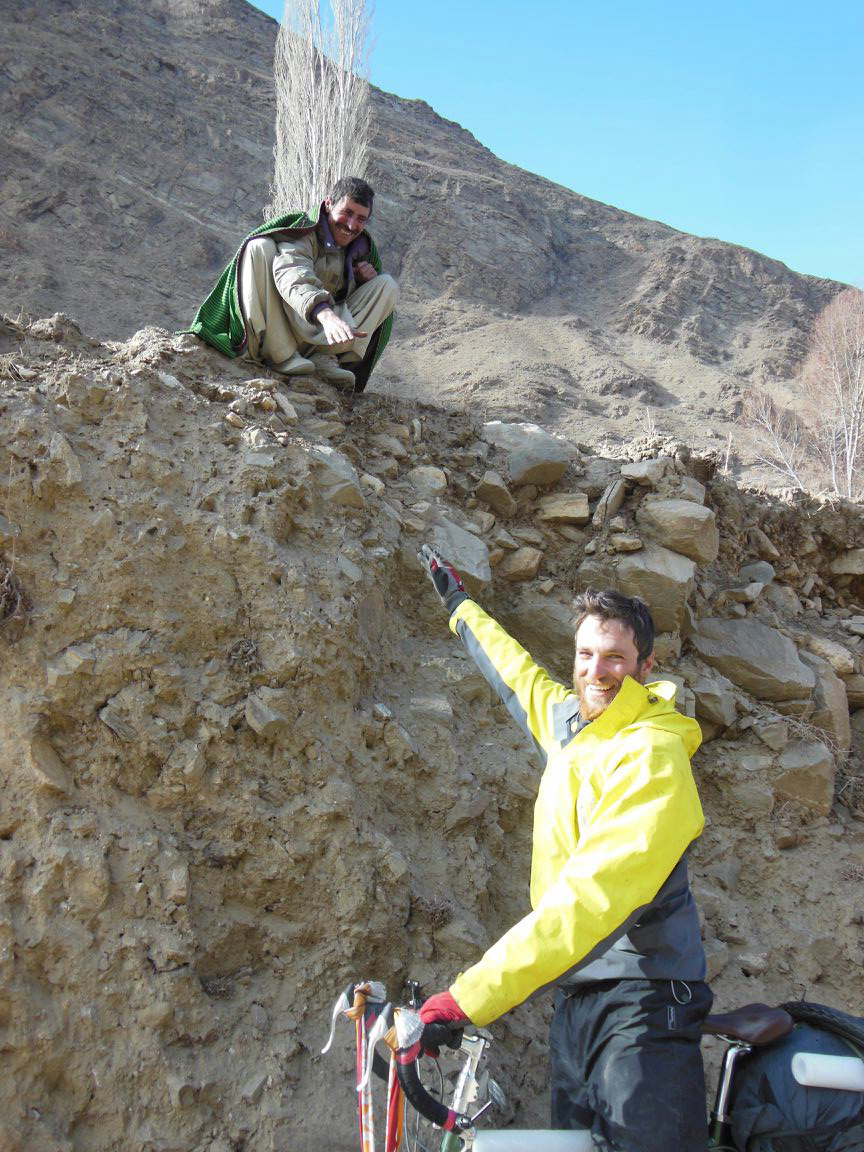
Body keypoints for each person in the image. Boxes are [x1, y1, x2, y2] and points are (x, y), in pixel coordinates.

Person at [416, 544, 712, 1152]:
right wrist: (459, 604)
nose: (597, 671)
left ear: (646, 665)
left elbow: (593, 899)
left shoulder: (653, 756)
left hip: (644, 1000)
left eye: (615, 658)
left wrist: (469, 997)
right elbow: (513, 673)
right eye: (585, 654)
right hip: (575, 999)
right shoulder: (571, 731)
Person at [187, 177, 398, 393]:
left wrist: (359, 282)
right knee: (260, 247)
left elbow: (347, 295)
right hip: (280, 327)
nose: (351, 225)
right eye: (347, 213)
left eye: (361, 219)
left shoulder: (360, 251)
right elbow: (293, 272)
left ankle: (323, 359)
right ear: (328, 204)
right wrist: (324, 313)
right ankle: (281, 355)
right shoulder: (305, 232)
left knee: (386, 285)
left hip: (314, 337)